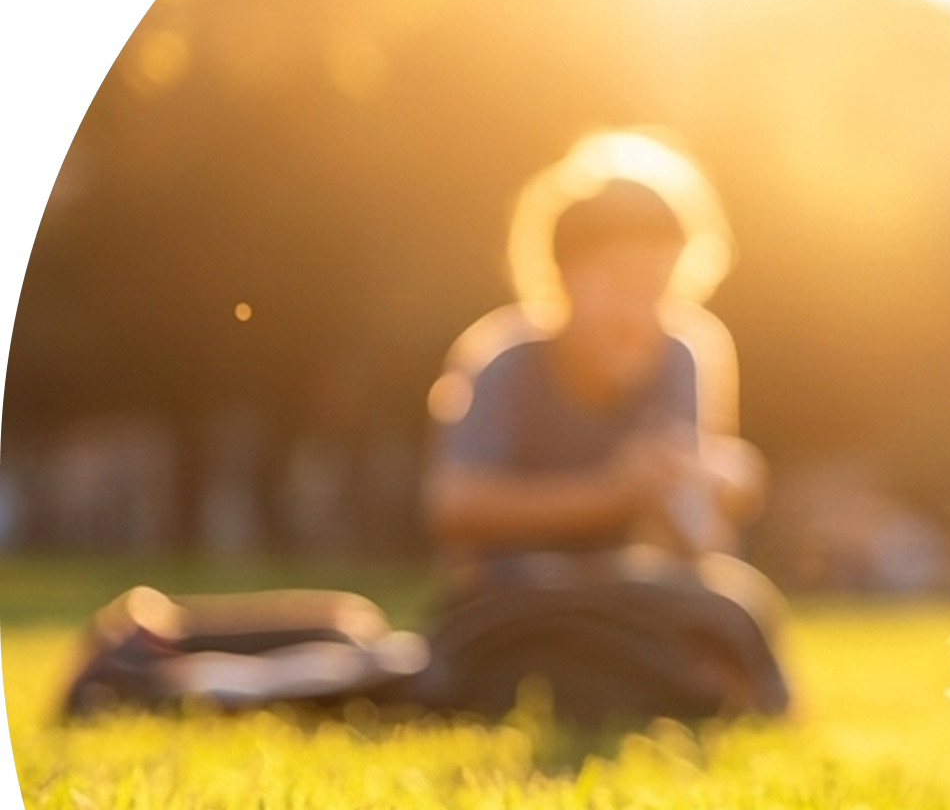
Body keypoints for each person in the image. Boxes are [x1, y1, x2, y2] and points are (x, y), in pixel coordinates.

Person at [63, 131, 791, 724]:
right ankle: (143, 670)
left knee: (360, 632)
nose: (640, 308)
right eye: (620, 284)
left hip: (607, 602)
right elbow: (454, 509)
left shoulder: (685, 353)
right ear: (564, 277)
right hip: (503, 603)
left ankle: (153, 642)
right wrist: (611, 491)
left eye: (656, 285)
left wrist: (716, 487)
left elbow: (696, 548)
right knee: (396, 673)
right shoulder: (504, 358)